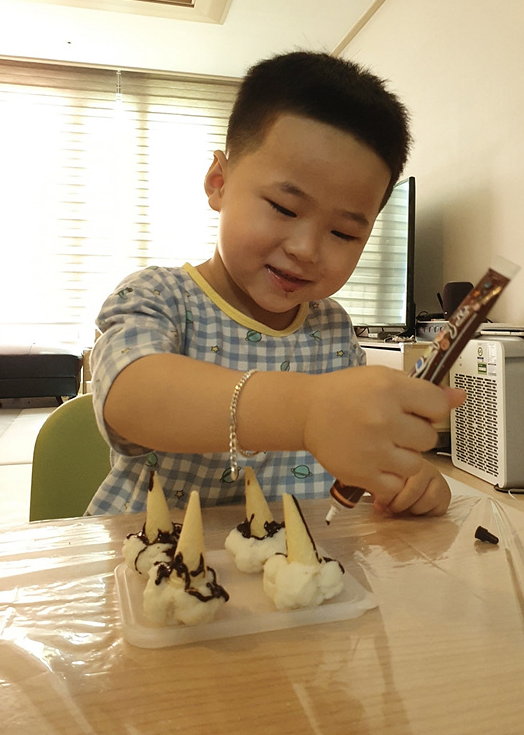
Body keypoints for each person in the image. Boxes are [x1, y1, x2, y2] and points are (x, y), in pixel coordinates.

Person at [86, 51, 464, 518]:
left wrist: (403, 480)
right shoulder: (158, 296)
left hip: (292, 559)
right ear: (219, 182)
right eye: (284, 208)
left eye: (344, 233)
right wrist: (307, 412)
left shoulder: (332, 330)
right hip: (153, 552)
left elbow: (349, 471)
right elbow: (129, 398)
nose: (306, 249)